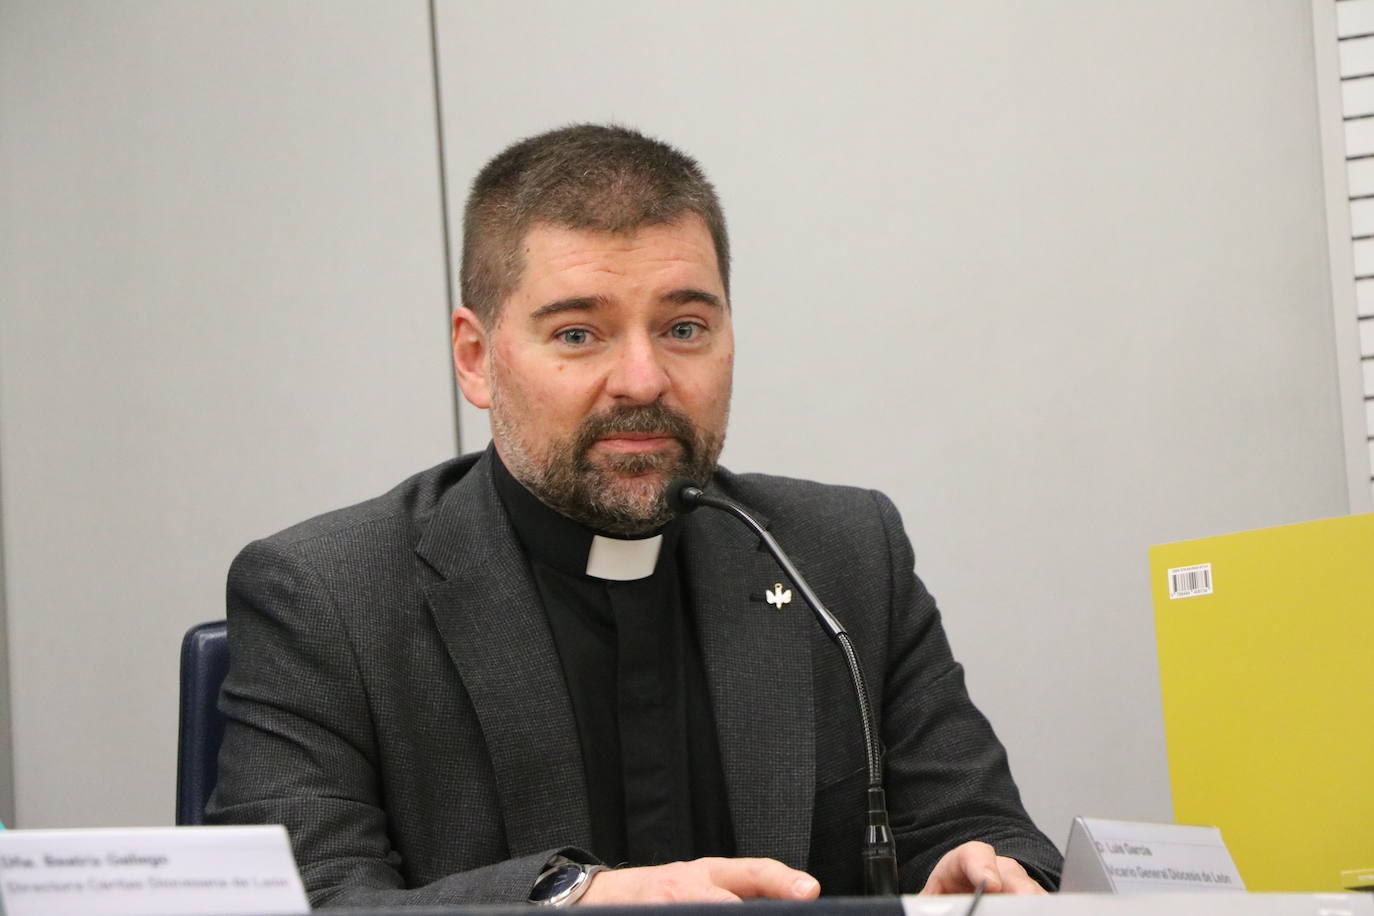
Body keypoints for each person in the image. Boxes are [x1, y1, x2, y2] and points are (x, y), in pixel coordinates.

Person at [208, 124, 1063, 906]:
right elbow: (304, 900)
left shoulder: (841, 557)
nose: (644, 380)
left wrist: (979, 866)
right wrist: (572, 901)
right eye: (579, 334)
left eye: (684, 327)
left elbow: (977, 824)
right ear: (476, 358)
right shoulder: (326, 595)